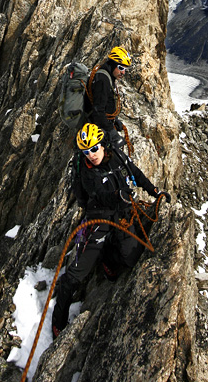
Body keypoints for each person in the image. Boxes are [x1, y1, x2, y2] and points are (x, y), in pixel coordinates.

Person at [51, 123, 170, 339]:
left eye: (94, 148)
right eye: (86, 152)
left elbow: (135, 172)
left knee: (130, 258)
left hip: (123, 213)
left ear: (103, 145)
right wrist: (117, 197)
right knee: (75, 275)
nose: (91, 155)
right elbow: (95, 195)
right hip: (100, 218)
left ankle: (108, 258)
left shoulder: (117, 156)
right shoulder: (86, 172)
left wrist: (154, 191)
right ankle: (58, 321)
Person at [84, 46, 131, 147]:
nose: (123, 72)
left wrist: (115, 120)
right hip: (97, 127)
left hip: (103, 123)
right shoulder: (103, 80)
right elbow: (98, 111)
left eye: (125, 69)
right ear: (113, 64)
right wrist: (112, 133)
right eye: (121, 68)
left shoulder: (108, 75)